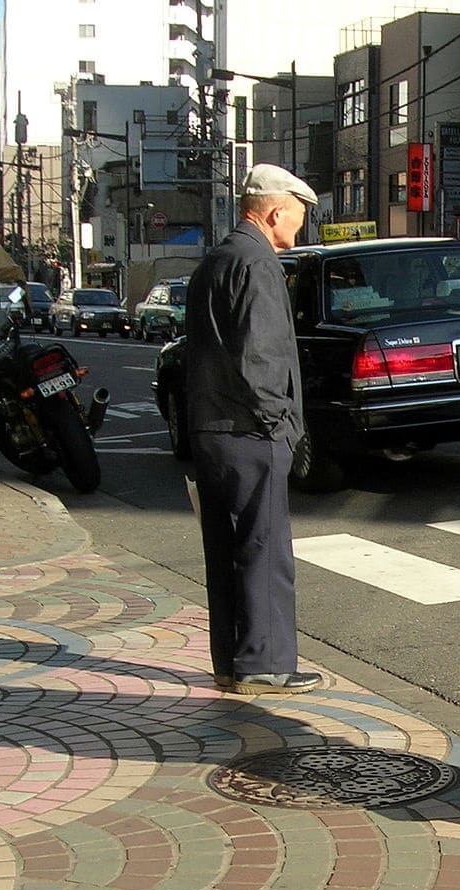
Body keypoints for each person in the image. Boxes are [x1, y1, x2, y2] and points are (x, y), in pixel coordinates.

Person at [184, 163, 323, 696]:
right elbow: (262, 358)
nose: (301, 226)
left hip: (211, 429)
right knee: (265, 550)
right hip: (250, 432)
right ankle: (264, 665)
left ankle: (232, 662)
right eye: (299, 215)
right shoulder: (258, 263)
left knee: (224, 549)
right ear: (275, 211)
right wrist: (282, 429)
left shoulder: (216, 260)